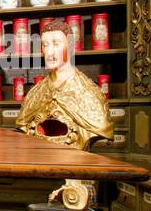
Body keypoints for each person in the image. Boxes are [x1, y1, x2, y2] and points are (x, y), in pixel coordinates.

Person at [16, 17, 112, 149]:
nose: (49, 52)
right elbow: (23, 124)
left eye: (56, 43)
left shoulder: (89, 93)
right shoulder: (35, 94)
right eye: (45, 45)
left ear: (70, 45)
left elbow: (100, 125)